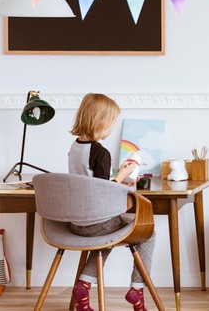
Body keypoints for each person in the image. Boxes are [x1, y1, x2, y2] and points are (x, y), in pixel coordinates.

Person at [68, 93, 155, 311]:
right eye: (111, 123)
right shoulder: (100, 153)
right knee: (147, 231)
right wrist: (121, 177)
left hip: (76, 222)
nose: (111, 128)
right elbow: (102, 192)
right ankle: (137, 289)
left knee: (106, 237)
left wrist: (114, 179)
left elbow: (89, 182)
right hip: (96, 222)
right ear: (101, 122)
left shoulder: (75, 147)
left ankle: (84, 285)